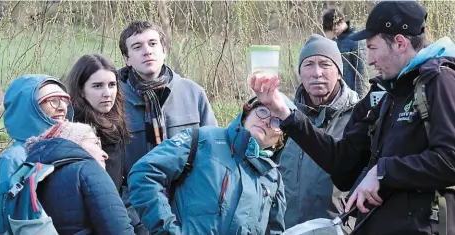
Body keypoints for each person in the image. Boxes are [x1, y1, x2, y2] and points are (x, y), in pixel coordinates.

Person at [252, 1, 455, 234]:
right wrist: (286, 114)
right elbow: (343, 165)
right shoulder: (383, 94)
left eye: (372, 48)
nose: (368, 60)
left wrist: (383, 172)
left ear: (399, 43)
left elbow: (450, 159)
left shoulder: (440, 81)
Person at [127, 94, 297, 234]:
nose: (267, 121)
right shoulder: (202, 139)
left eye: (277, 122)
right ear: (247, 112)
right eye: (262, 111)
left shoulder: (273, 179)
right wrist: (167, 230)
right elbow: (144, 174)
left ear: (279, 141)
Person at [278, 34, 358, 232]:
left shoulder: (359, 117)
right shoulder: (284, 118)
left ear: (339, 72)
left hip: (340, 229)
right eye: (308, 65)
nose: (317, 73)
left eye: (325, 64)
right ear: (300, 73)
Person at [118, 20, 218, 175]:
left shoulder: (192, 92)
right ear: (127, 59)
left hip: (188, 193)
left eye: (152, 44)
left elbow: (213, 147)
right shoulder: (115, 98)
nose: (147, 51)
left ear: (164, 51)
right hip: (136, 195)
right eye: (137, 47)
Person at [24, 121, 135, 235]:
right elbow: (118, 229)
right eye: (96, 143)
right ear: (75, 142)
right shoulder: (88, 170)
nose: (105, 154)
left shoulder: (30, 178)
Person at [65, 54, 131, 193]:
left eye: (112, 85)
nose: (107, 93)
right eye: (97, 86)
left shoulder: (116, 119)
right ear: (81, 90)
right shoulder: (72, 128)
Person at [0, 74, 72, 180]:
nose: (62, 107)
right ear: (31, 109)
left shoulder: (72, 144)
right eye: (52, 100)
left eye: (64, 100)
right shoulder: (13, 159)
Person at [323, 8, 367, 98]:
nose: (333, 30)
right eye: (330, 28)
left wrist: (359, 97)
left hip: (352, 93)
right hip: (338, 94)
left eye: (334, 26)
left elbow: (361, 71)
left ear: (341, 21)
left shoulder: (356, 39)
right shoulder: (334, 41)